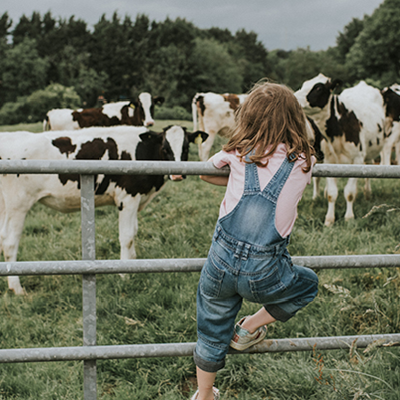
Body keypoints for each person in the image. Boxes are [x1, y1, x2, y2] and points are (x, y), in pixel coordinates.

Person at [191, 81, 319, 400]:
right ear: (294, 118)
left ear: (246, 117)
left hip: (219, 264)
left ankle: (205, 394)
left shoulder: (236, 153)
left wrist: (235, 172)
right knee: (308, 284)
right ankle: (249, 328)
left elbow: (206, 173)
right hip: (264, 272)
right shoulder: (304, 161)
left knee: (211, 325)